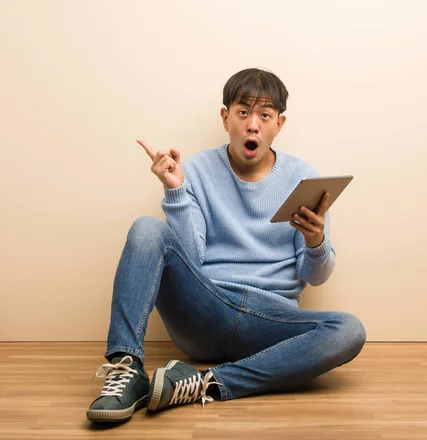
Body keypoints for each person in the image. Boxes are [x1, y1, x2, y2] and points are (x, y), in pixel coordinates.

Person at [86, 68, 366, 423]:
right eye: (243, 112)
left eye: (264, 115)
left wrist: (315, 240)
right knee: (146, 229)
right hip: (208, 309)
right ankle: (125, 370)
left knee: (349, 330)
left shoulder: (303, 177)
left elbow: (316, 276)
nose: (253, 125)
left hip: (271, 322)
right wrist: (175, 190)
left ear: (278, 124)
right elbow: (191, 255)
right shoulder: (198, 170)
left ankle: (204, 383)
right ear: (225, 117)